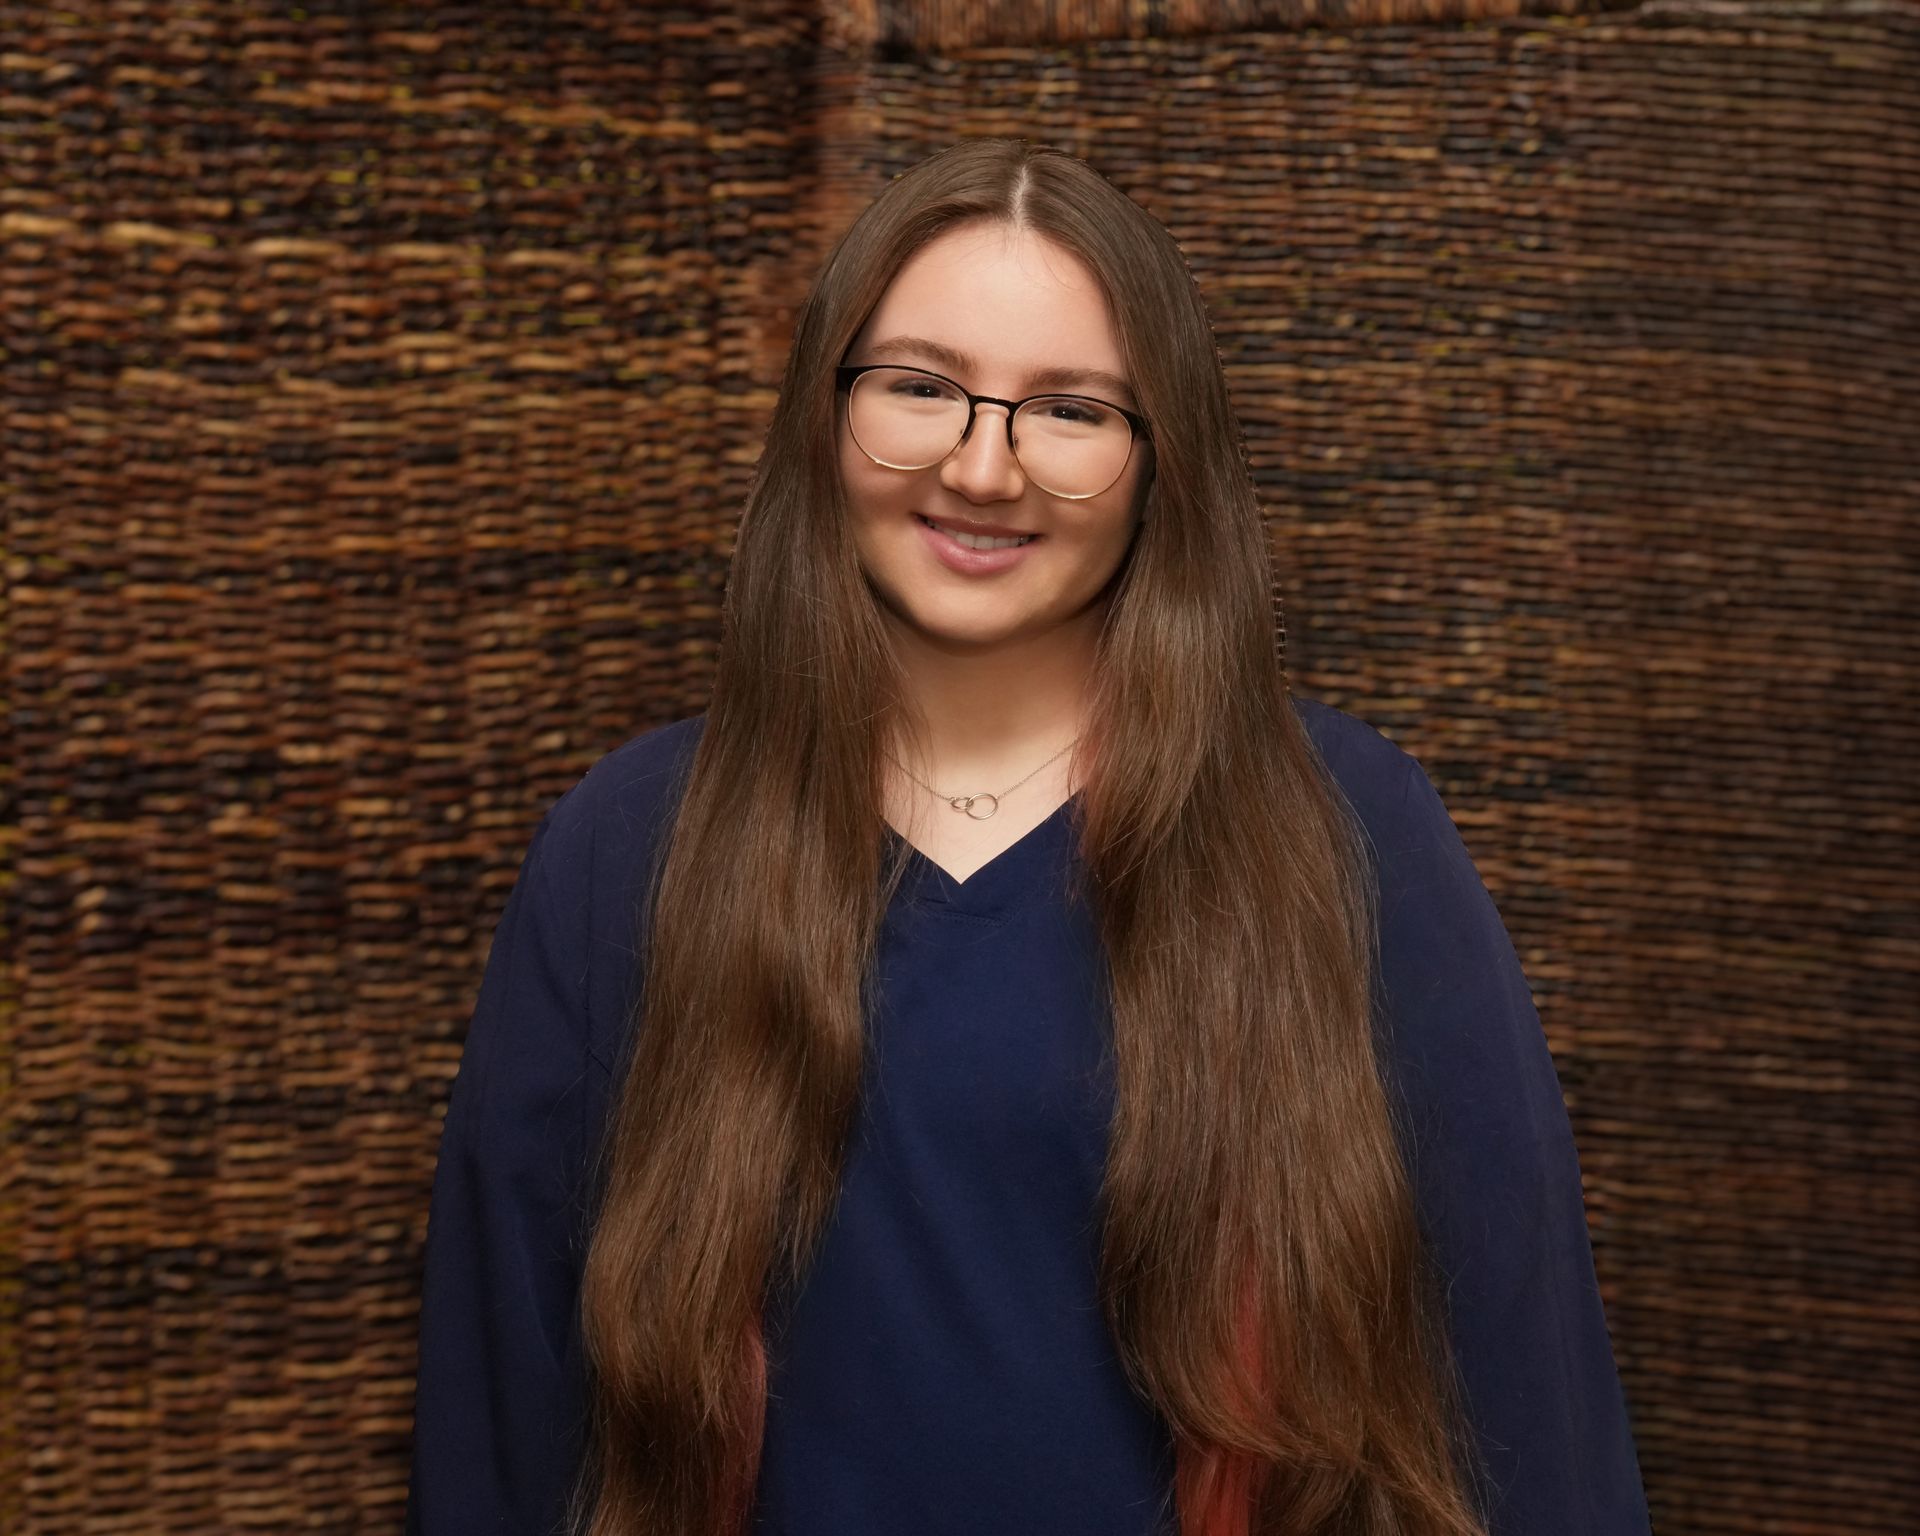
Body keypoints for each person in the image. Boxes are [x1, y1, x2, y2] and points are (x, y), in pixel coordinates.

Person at [407, 138, 1653, 1536]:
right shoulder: (626, 853)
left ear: (1157, 458)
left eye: (1068, 409)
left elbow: (1533, 1416)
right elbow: (497, 1435)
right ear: (827, 411)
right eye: (922, 388)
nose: (982, 466)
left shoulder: (1352, 840)